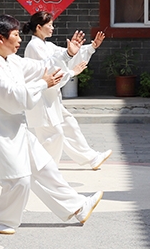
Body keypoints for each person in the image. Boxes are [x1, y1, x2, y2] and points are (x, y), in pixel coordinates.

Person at [0, 14, 103, 235]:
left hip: (17, 129)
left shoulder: (11, 60)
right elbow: (11, 97)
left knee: (45, 167)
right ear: (1, 38)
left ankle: (77, 207)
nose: (19, 39)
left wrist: (68, 53)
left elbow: (40, 67)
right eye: (15, 35)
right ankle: (1, 219)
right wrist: (42, 85)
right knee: (19, 181)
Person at [22, 11, 112, 170]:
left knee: (69, 125)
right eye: (49, 25)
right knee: (53, 135)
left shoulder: (46, 45)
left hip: (52, 97)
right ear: (38, 27)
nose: (52, 28)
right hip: (41, 99)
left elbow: (65, 55)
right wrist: (70, 66)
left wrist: (90, 47)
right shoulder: (34, 46)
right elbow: (50, 66)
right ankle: (44, 169)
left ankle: (91, 158)